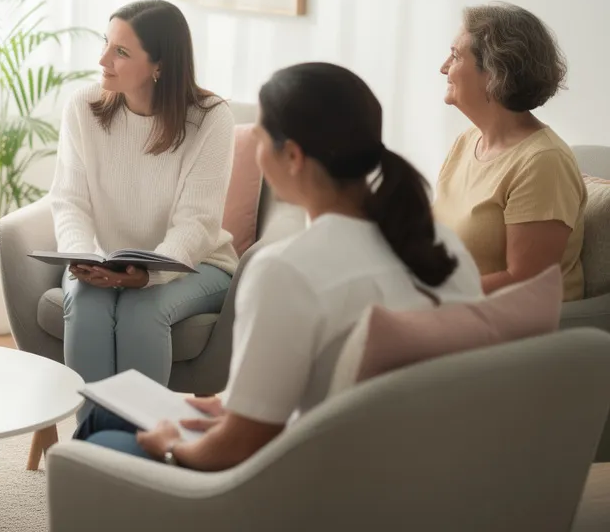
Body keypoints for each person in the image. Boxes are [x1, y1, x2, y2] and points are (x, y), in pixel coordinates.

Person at [80, 63, 483, 469]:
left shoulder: (284, 272)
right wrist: (233, 409)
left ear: (292, 156)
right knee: (108, 412)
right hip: (403, 469)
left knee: (98, 439)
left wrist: (170, 446)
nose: (255, 147)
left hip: (288, 490)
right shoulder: (443, 248)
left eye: (259, 136)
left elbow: (234, 450)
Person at [49, 0, 238, 397]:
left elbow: (197, 223)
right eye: (106, 43)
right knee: (86, 304)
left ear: (160, 66)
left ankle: (141, 445)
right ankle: (94, 445)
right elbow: (70, 201)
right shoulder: (83, 108)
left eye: (120, 52)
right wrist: (81, 258)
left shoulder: (210, 118)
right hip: (105, 261)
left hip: (196, 264)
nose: (103, 59)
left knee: (141, 309)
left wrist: (149, 275)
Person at [433, 2, 586, 302]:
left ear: (493, 73)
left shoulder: (543, 162)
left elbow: (525, 283)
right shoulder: (466, 142)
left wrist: (429, 295)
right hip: (455, 306)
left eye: (455, 55)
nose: (443, 67)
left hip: (510, 326)